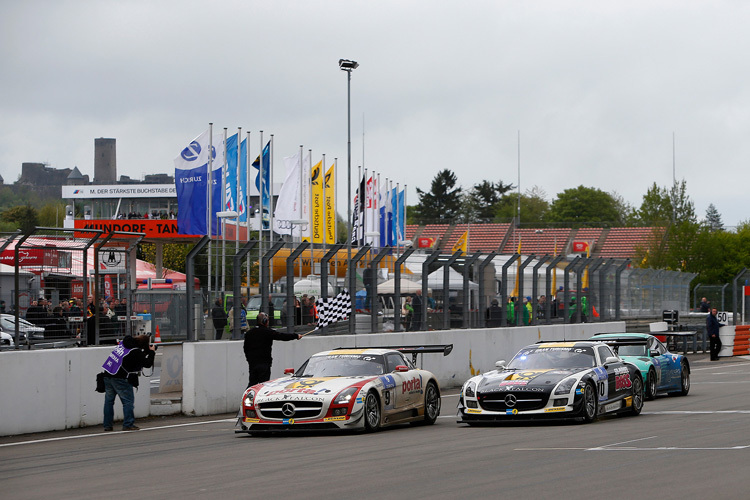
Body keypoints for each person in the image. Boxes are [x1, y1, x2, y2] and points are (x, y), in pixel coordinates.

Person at [100, 334, 156, 431]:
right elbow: (147, 364)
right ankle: (128, 424)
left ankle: (107, 425)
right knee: (128, 402)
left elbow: (132, 359)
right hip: (121, 378)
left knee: (109, 402)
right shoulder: (135, 351)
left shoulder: (123, 344)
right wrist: (152, 352)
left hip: (108, 374)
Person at [243, 312, 301, 387]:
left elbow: (245, 348)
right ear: (264, 321)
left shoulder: (249, 333)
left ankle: (247, 397)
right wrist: (296, 336)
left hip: (253, 364)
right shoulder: (267, 332)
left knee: (252, 384)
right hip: (264, 363)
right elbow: (282, 336)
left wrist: (249, 360)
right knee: (263, 385)